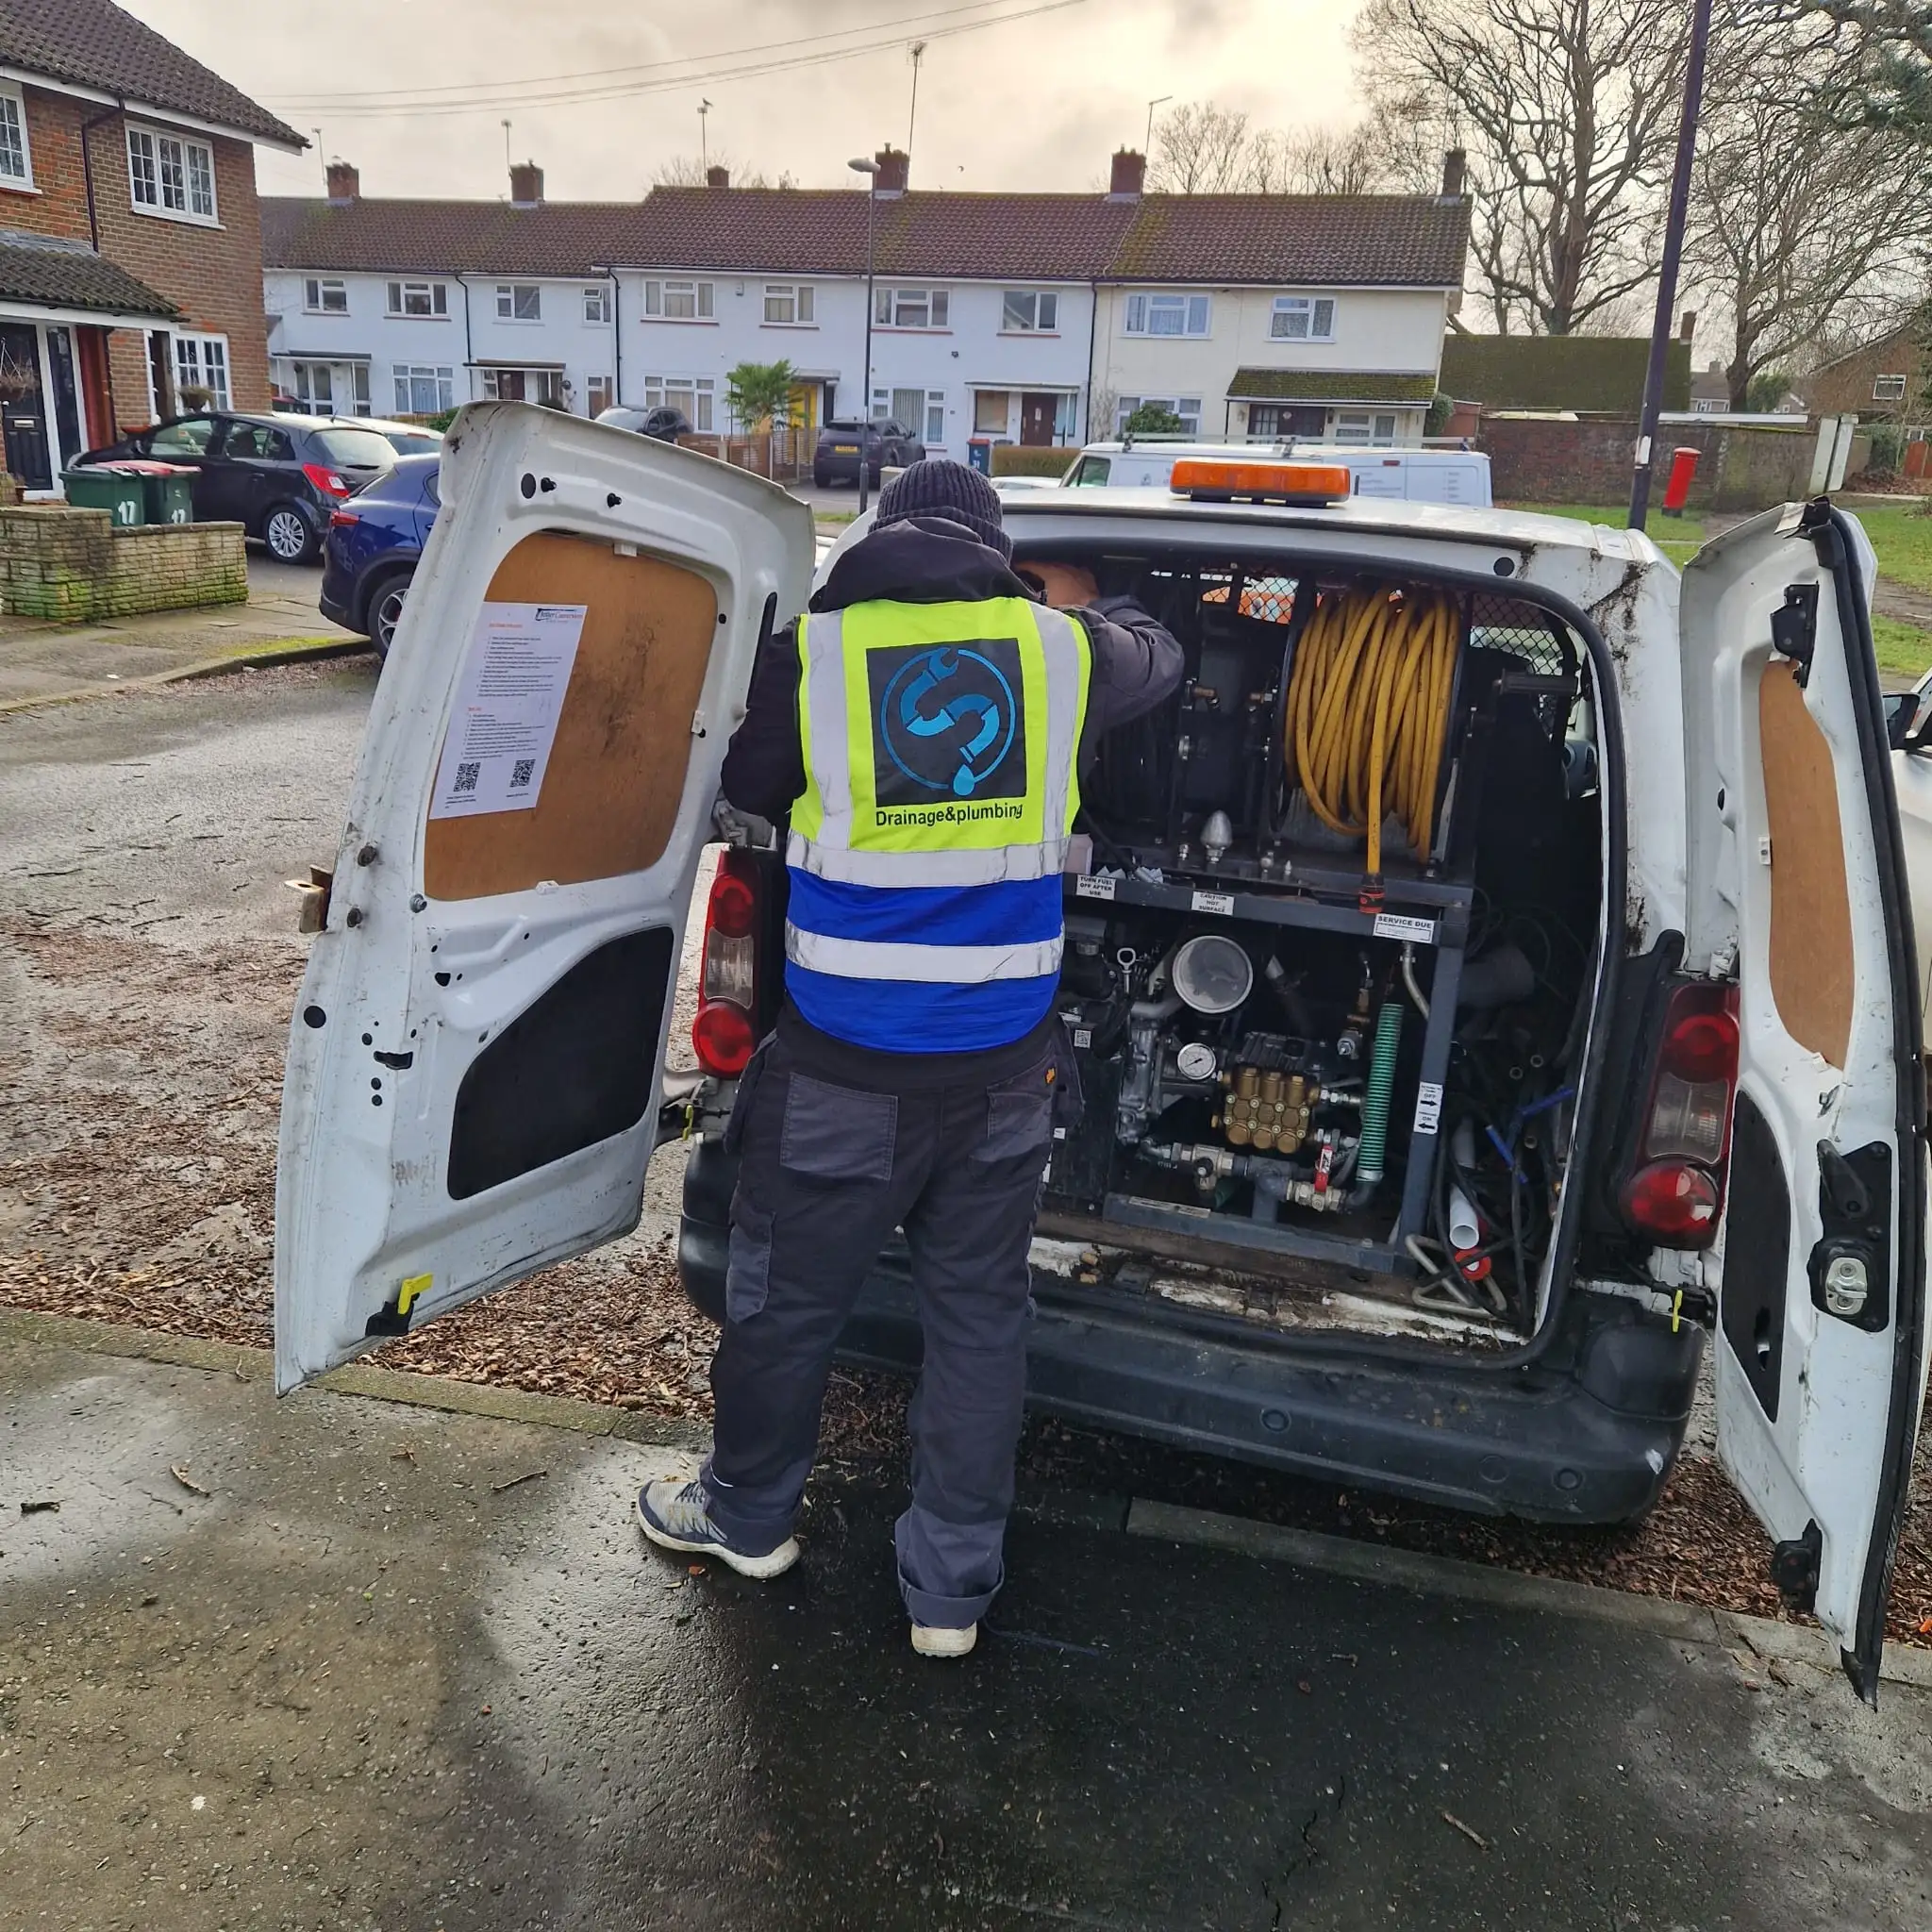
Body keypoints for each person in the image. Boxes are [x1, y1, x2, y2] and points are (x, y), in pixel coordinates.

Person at [637, 458, 1182, 1657]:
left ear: (883, 535)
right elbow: (1162, 650)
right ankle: (948, 1594)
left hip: (841, 1071)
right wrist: (1074, 603)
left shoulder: (816, 656)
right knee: (979, 1322)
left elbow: (747, 787)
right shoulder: (1059, 651)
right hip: (1001, 1074)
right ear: (996, 552)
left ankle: (748, 1520)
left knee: (782, 1309)